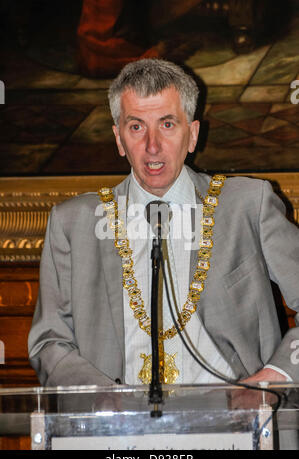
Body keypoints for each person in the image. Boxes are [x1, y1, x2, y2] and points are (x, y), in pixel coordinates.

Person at [28, 58, 299, 388]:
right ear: (118, 138)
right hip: (117, 430)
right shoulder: (73, 223)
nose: (152, 146)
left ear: (192, 134)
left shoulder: (247, 204)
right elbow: (49, 343)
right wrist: (101, 399)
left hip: (234, 425)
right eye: (137, 126)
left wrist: (275, 377)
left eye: (167, 124)